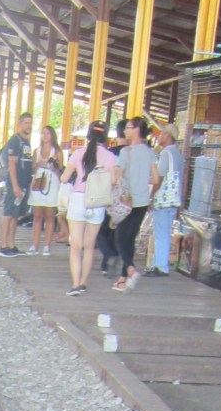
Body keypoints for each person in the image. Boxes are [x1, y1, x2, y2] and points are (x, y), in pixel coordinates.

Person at [60, 120, 116, 296]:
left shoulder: (78, 153)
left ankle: (75, 284)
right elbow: (114, 180)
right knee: (89, 246)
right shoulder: (109, 156)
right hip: (97, 202)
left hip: (78, 200)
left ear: (88, 135)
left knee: (76, 246)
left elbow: (64, 178)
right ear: (104, 137)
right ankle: (84, 282)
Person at [112, 118, 154, 292]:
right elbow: (156, 179)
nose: (125, 131)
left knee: (120, 239)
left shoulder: (125, 151)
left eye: (128, 127)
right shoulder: (150, 152)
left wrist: (111, 174)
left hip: (127, 201)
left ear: (136, 129)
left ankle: (131, 270)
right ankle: (123, 279)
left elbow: (117, 177)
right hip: (142, 202)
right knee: (129, 239)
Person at [149, 122, 185, 276]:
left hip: (163, 199)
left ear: (168, 136)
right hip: (173, 199)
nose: (159, 136)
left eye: (162, 133)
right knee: (165, 232)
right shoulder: (178, 154)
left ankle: (161, 267)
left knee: (161, 234)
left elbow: (159, 178)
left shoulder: (166, 153)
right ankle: (160, 264)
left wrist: (151, 196)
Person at [0, 112, 33, 258]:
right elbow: (12, 164)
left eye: (30, 123)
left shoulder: (26, 142)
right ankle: (3, 246)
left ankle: (11, 245)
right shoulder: (15, 140)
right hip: (15, 183)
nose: (29, 126)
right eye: (26, 123)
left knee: (15, 215)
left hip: (24, 183)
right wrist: (15, 185)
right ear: (20, 124)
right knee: (8, 214)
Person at [27, 126, 63, 256]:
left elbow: (61, 170)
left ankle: (47, 245)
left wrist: (54, 167)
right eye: (43, 133)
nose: (45, 136)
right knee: (37, 215)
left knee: (49, 215)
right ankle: (35, 245)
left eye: (47, 133)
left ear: (52, 135)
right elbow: (31, 169)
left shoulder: (57, 151)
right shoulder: (37, 151)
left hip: (52, 182)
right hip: (38, 181)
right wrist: (37, 165)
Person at [97, 120, 127, 276]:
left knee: (102, 229)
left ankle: (108, 256)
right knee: (118, 230)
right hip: (125, 196)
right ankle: (110, 260)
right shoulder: (132, 153)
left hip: (107, 193)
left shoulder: (110, 153)